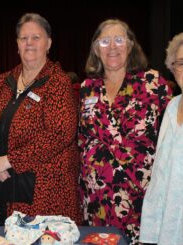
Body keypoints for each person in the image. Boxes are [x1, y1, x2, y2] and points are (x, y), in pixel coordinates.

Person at [0, 13, 82, 226]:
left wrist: (9, 162)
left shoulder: (58, 82)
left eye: (36, 37)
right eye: (24, 38)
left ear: (48, 43)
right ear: (17, 44)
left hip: (43, 193)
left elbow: (60, 134)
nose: (29, 43)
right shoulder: (4, 80)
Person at [78, 19, 172, 244]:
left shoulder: (153, 83)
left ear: (130, 46)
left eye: (119, 40)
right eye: (104, 41)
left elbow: (172, 138)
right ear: (95, 49)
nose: (112, 47)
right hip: (96, 198)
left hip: (139, 197)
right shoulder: (87, 87)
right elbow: (82, 138)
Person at [140, 33, 183, 245]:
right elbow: (159, 175)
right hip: (166, 228)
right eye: (181, 62)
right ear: (172, 68)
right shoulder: (172, 106)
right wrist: (149, 231)